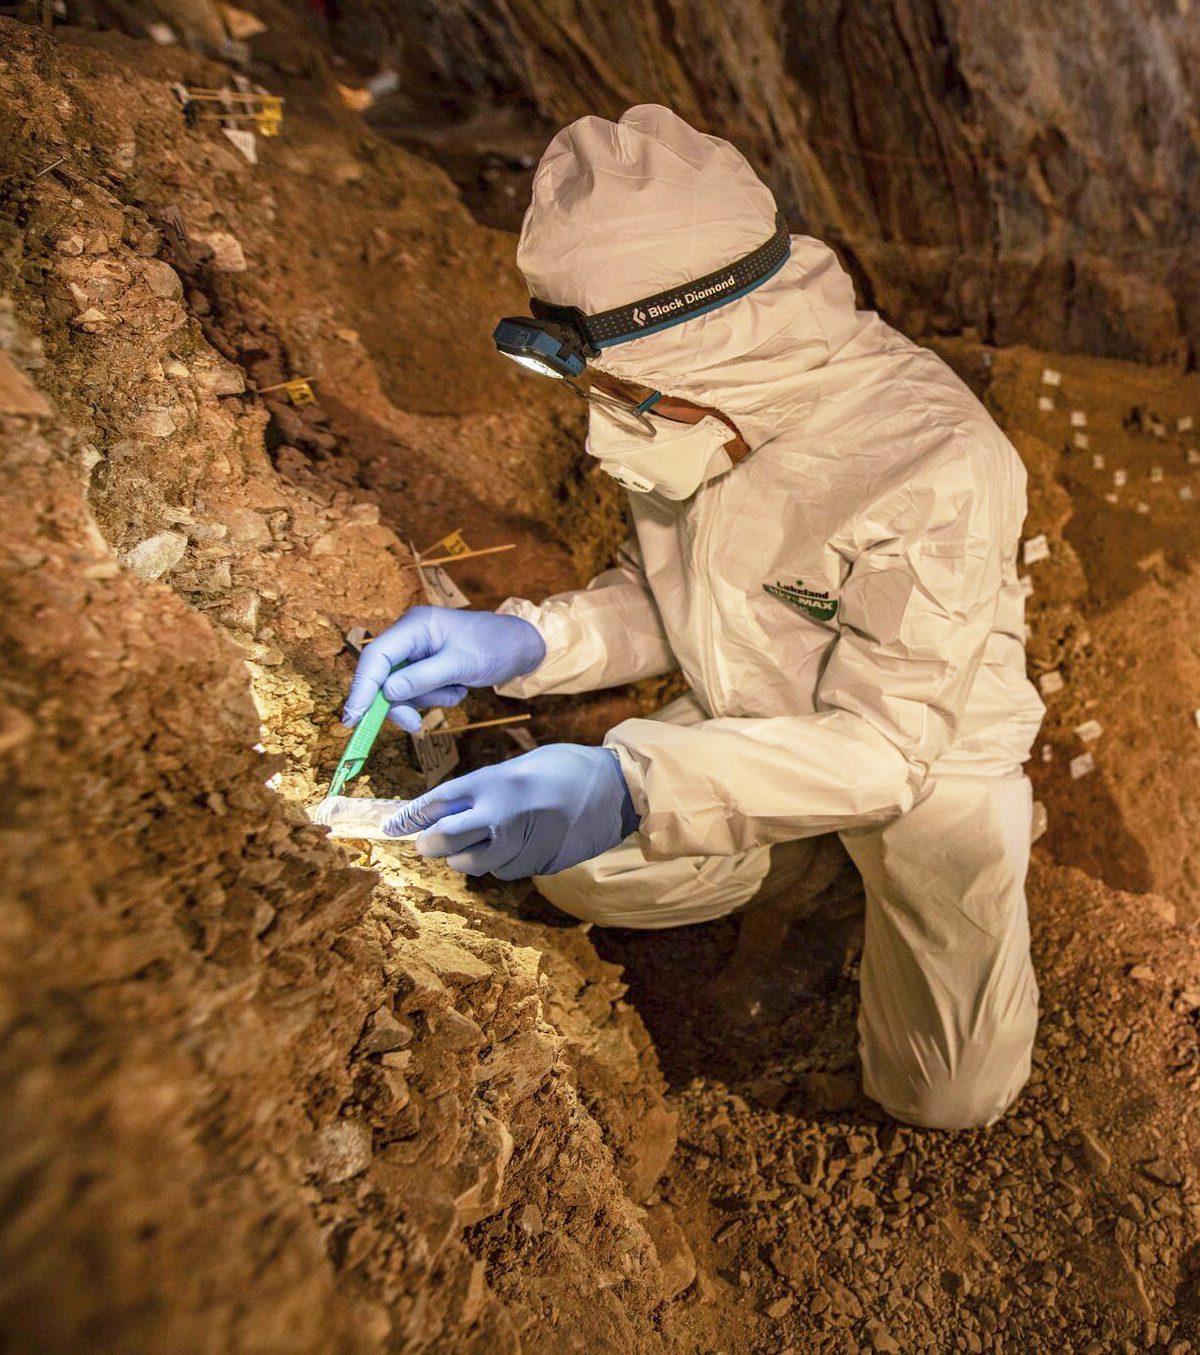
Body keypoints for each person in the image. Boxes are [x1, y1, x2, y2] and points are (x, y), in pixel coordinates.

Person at [339, 105, 1044, 1131]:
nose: (601, 439)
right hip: (750, 716)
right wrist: (528, 643)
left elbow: (887, 754)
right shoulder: (680, 400)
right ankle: (811, 880)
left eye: (620, 400)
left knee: (950, 1094)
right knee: (583, 873)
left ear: (710, 351)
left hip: (926, 757)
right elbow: (661, 596)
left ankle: (869, 882)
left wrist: (634, 783)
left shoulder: (934, 462)